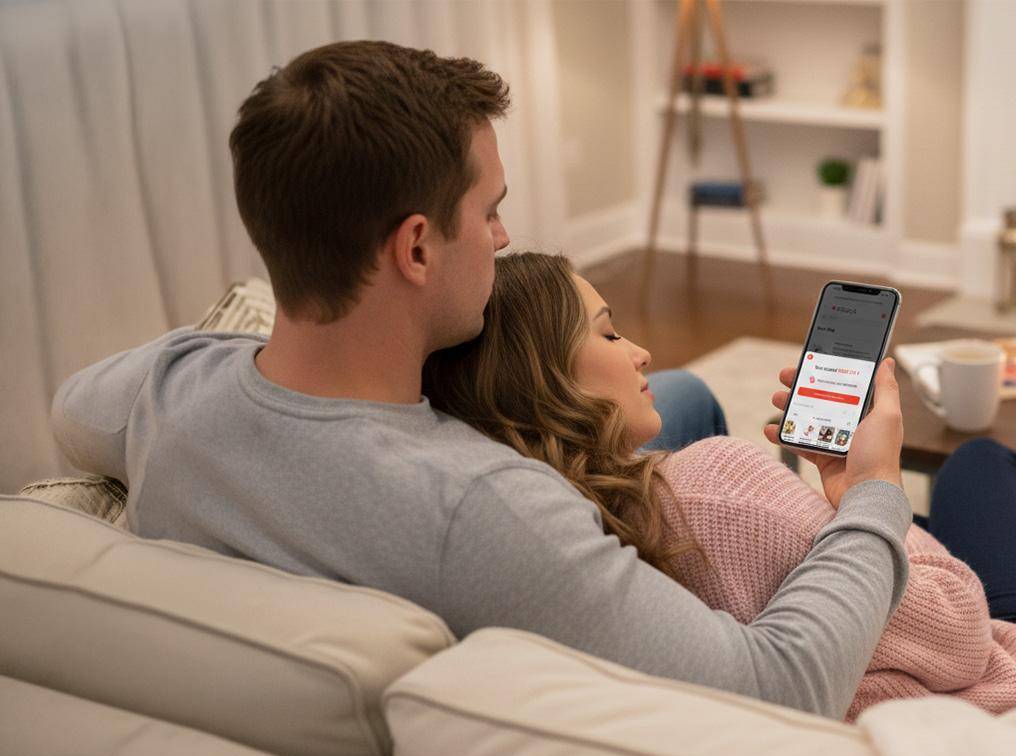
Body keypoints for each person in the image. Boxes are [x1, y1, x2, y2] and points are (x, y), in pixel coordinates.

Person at [49, 41, 910, 720]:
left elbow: (71, 410)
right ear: (416, 247)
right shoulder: (487, 510)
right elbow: (778, 689)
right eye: (490, 211)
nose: (503, 239)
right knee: (689, 420)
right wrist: (870, 489)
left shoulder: (168, 392)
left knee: (677, 395)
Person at [424, 251, 1016, 723]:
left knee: (960, 495)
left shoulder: (534, 516)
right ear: (547, 382)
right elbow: (960, 630)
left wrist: (826, 501)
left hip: (910, 677)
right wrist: (869, 488)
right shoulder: (715, 487)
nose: (639, 350)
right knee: (982, 466)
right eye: (605, 331)